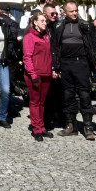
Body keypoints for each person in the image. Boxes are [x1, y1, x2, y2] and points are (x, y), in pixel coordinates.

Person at [51, 0, 96, 140]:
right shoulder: (58, 26)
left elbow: (93, 46)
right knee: (68, 95)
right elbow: (54, 47)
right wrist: (56, 66)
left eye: (76, 10)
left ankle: (88, 126)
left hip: (81, 63)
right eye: (71, 11)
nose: (74, 13)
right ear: (64, 12)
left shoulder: (85, 25)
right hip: (65, 64)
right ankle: (70, 125)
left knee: (84, 95)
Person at [22, 10, 54, 142]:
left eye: (45, 21)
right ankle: (36, 128)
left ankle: (41, 126)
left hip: (46, 72)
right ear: (35, 22)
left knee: (42, 102)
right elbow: (27, 57)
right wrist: (33, 74)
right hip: (34, 74)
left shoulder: (46, 35)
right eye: (42, 21)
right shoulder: (29, 36)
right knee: (35, 102)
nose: (44, 23)